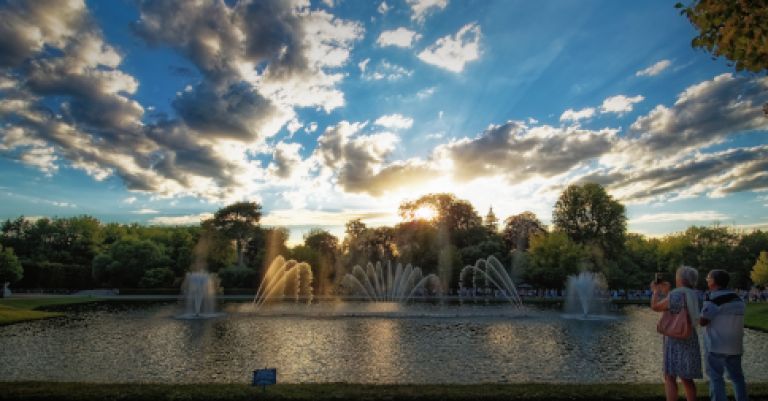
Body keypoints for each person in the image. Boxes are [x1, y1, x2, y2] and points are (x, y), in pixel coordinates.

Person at [651, 266, 703, 401]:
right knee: (687, 378)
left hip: (675, 338)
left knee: (670, 376)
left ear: (680, 278)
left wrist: (656, 291)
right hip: (690, 336)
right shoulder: (696, 294)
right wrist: (668, 292)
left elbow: (656, 307)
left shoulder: (677, 294)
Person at [700, 269, 748, 401]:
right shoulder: (738, 299)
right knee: (737, 377)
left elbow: (703, 321)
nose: (707, 280)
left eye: (708, 278)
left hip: (716, 344)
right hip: (735, 345)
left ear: (714, 281)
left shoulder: (713, 298)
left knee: (716, 377)